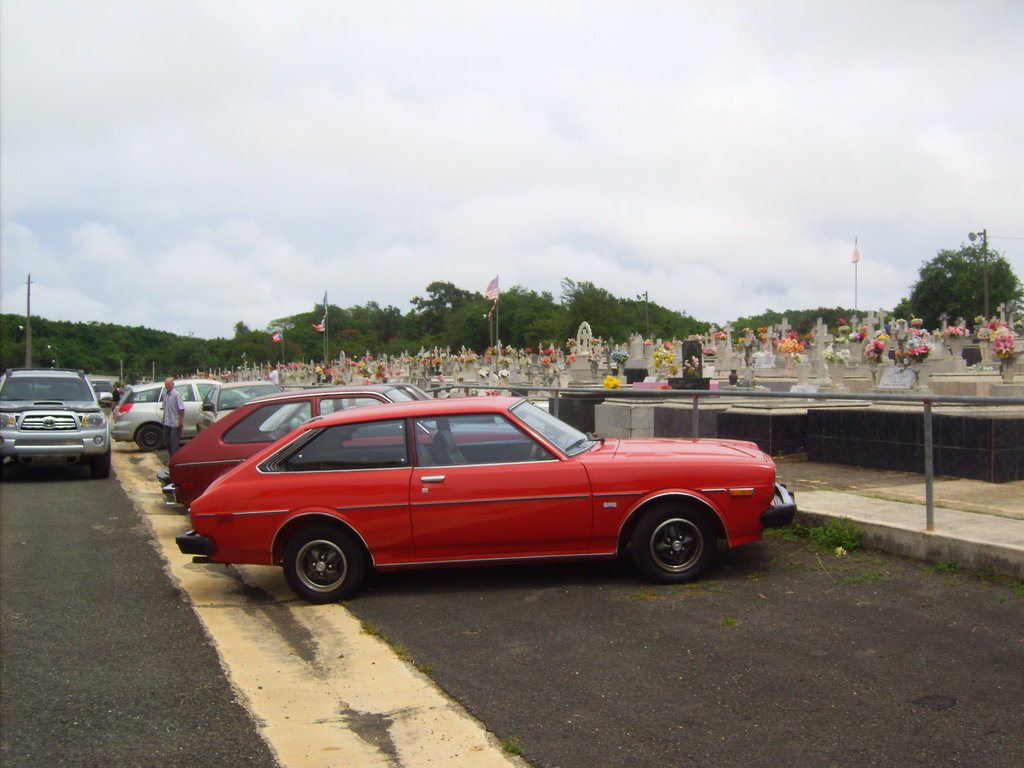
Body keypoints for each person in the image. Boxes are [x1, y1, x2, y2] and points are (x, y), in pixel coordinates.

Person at [159, 377, 186, 457]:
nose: (167, 386)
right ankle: (171, 457)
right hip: (167, 422)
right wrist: (163, 420)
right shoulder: (164, 395)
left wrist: (180, 420)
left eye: (168, 384)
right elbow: (165, 408)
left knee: (174, 443)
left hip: (175, 422)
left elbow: (181, 409)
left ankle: (174, 460)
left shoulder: (176, 395)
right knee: (167, 441)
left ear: (173, 384)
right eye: (166, 384)